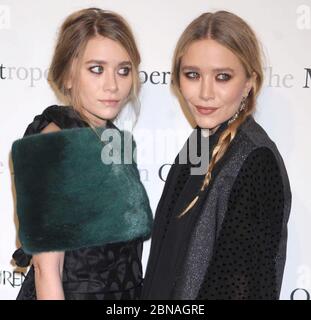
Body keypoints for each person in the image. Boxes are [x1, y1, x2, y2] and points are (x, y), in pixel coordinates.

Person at [142, 10, 291, 300]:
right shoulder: (199, 142)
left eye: (223, 77)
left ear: (249, 82)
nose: (205, 92)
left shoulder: (256, 161)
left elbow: (242, 288)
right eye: (193, 75)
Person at [11, 7, 152, 300]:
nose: (113, 85)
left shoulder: (113, 140)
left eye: (123, 70)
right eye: (97, 69)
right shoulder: (53, 143)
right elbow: (46, 271)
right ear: (68, 75)